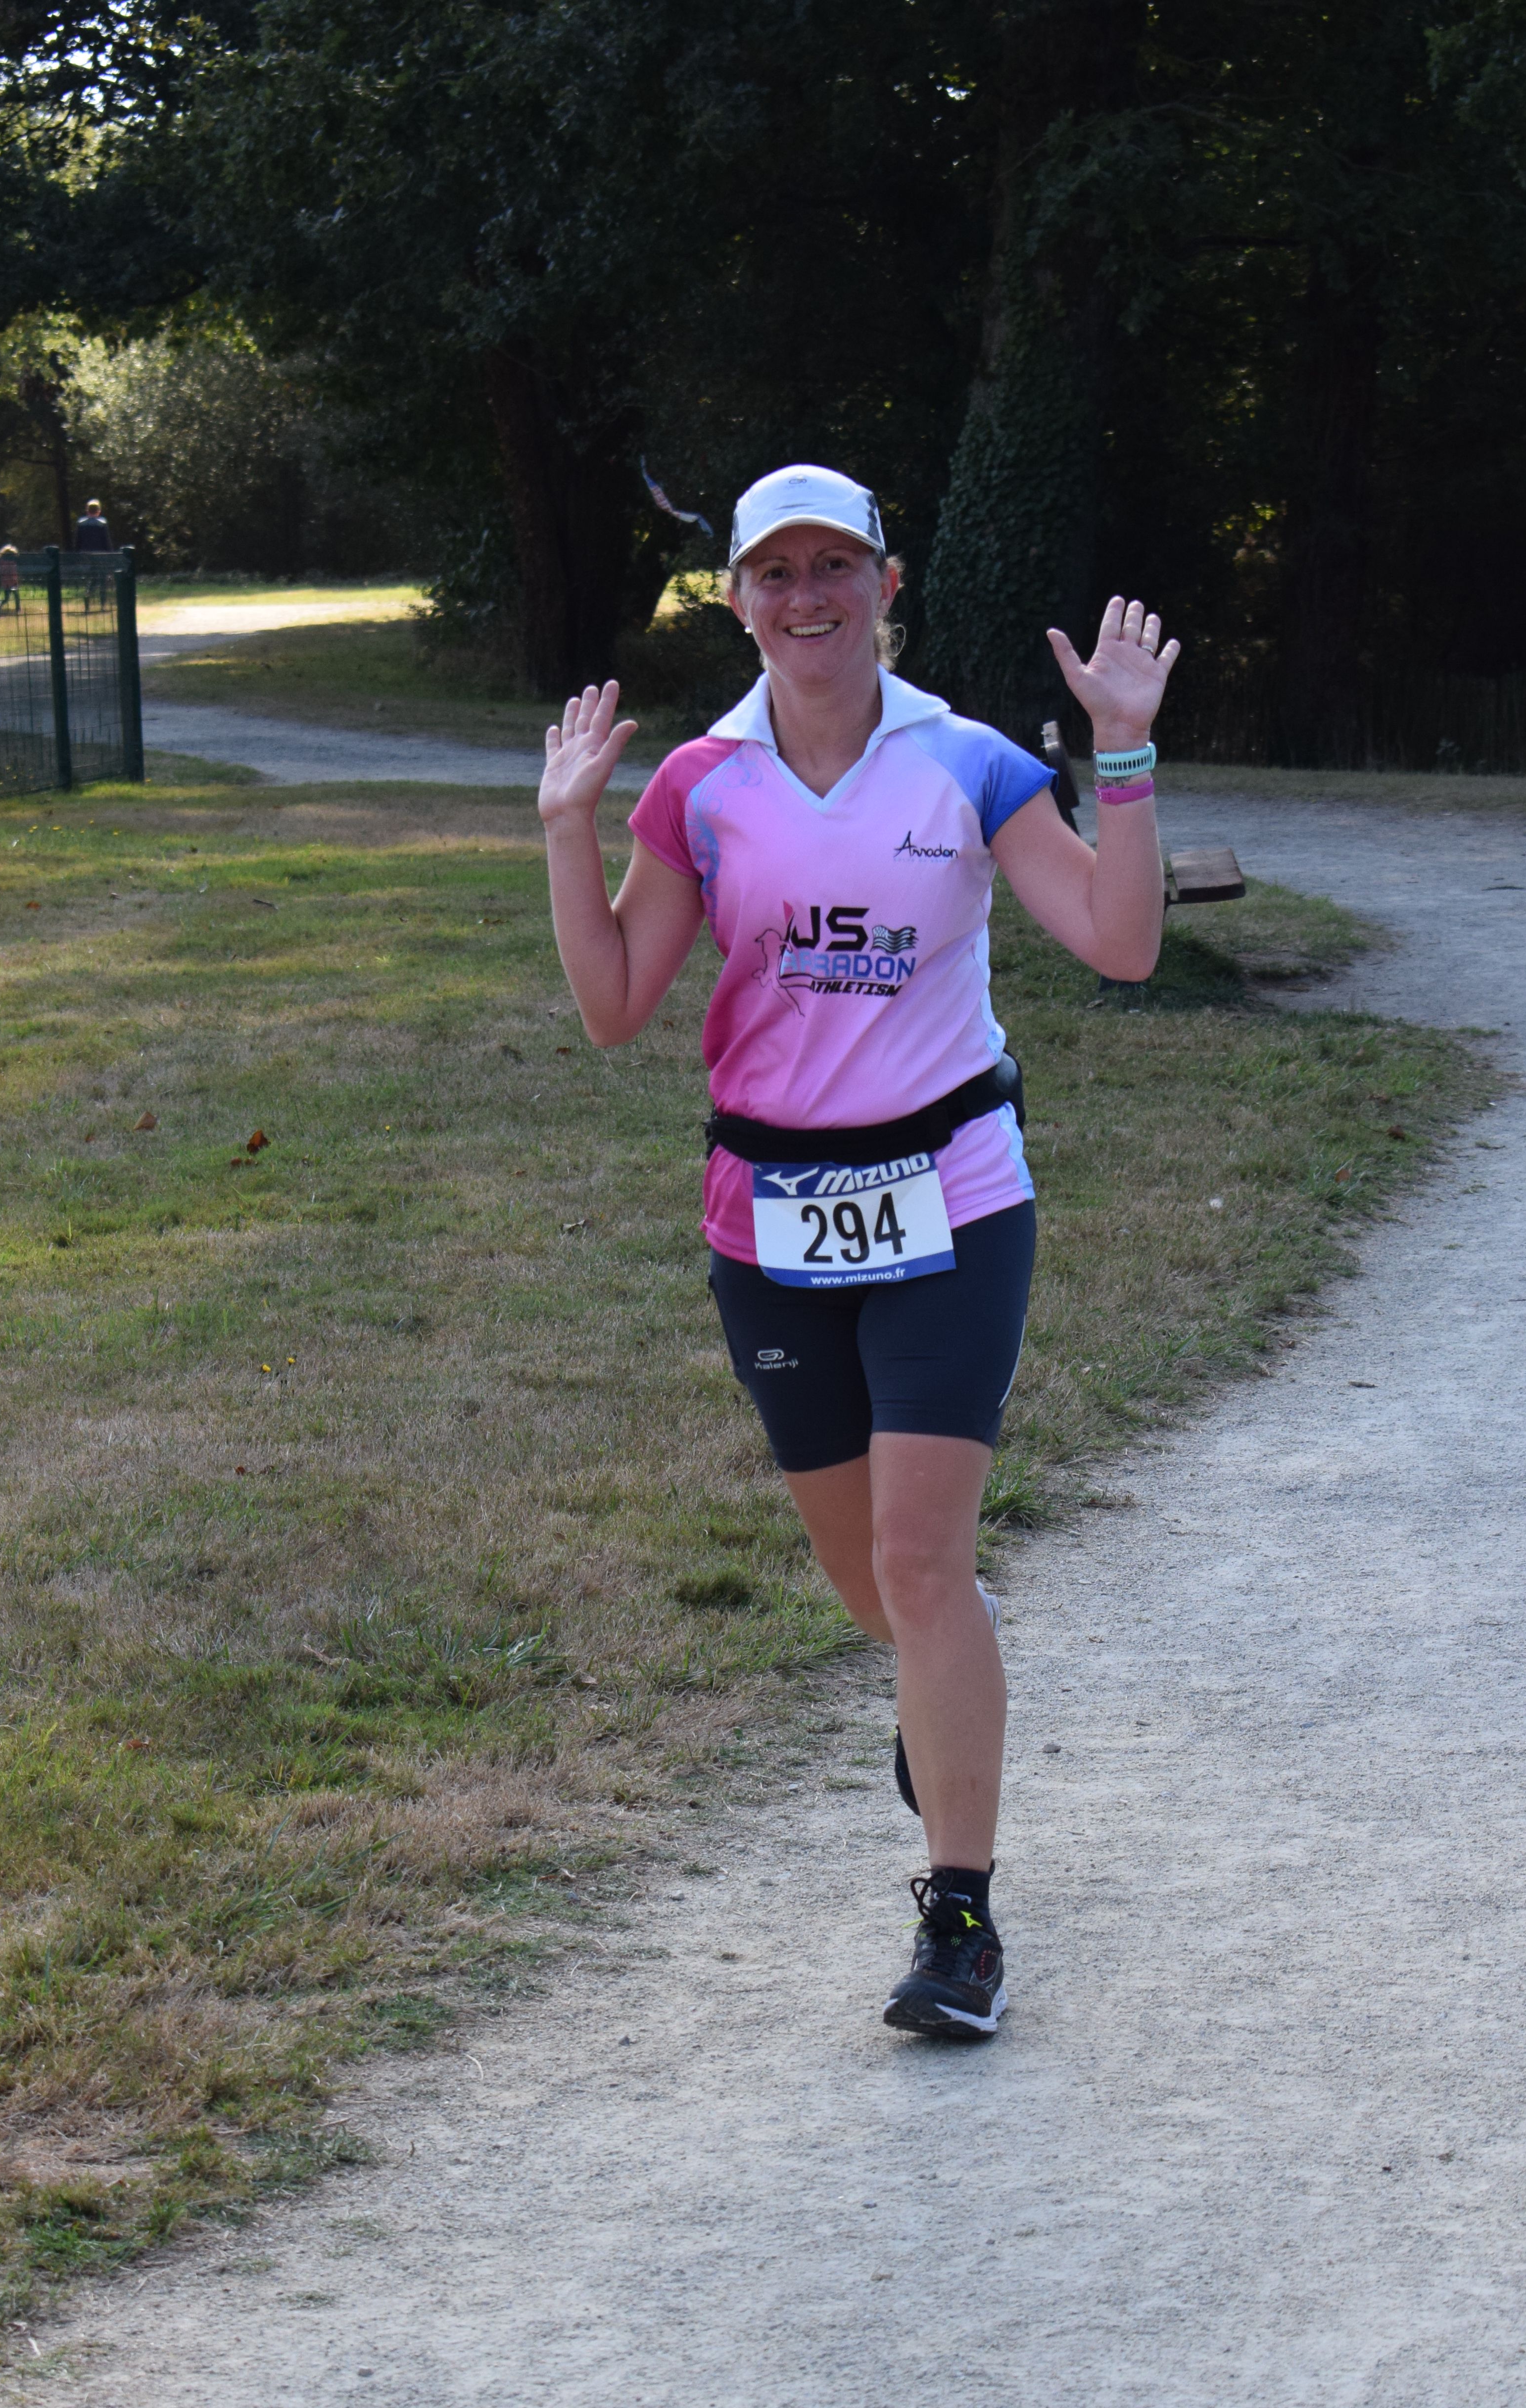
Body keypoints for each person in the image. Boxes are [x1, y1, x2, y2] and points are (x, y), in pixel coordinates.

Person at [538, 463, 1176, 2041]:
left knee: (919, 1558)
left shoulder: (966, 763)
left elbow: (1121, 944)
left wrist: (1125, 754)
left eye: (836, 567)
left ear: (887, 588)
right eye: (776, 572)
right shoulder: (702, 784)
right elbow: (613, 1005)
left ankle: (958, 1919)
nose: (806, 596)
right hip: (768, 1218)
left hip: (952, 1197)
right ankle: (938, 1693)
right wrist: (566, 828)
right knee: (867, 1578)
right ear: (738, 600)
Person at [73, 496, 112, 608]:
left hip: (86, 557)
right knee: (103, 579)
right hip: (101, 556)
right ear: (99, 511)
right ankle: (103, 604)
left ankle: (88, 595)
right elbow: (107, 542)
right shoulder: (102, 524)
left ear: (87, 511)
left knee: (91, 578)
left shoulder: (81, 524)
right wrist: (110, 555)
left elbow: (78, 542)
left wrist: (77, 556)